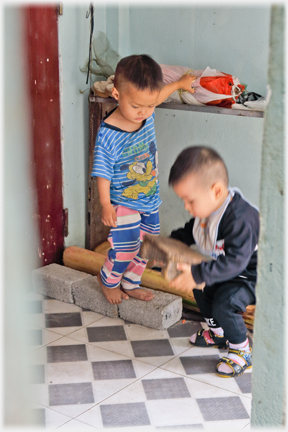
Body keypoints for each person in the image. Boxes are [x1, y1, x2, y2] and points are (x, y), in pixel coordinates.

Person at [91, 54, 196, 305]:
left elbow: (158, 96)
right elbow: (102, 172)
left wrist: (180, 84)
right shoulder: (109, 135)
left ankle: (131, 282)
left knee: (147, 245)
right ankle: (108, 280)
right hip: (122, 201)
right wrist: (105, 204)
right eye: (136, 106)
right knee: (126, 246)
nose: (144, 112)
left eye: (148, 106)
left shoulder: (147, 110)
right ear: (117, 95)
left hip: (149, 199)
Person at [168, 146, 259, 378]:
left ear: (216, 190)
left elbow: (237, 262)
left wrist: (199, 272)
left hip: (253, 276)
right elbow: (190, 232)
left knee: (225, 303)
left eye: (190, 201)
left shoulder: (240, 218)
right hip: (229, 270)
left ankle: (242, 350)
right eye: (184, 202)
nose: (187, 208)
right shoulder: (209, 211)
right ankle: (218, 333)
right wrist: (166, 245)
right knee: (201, 289)